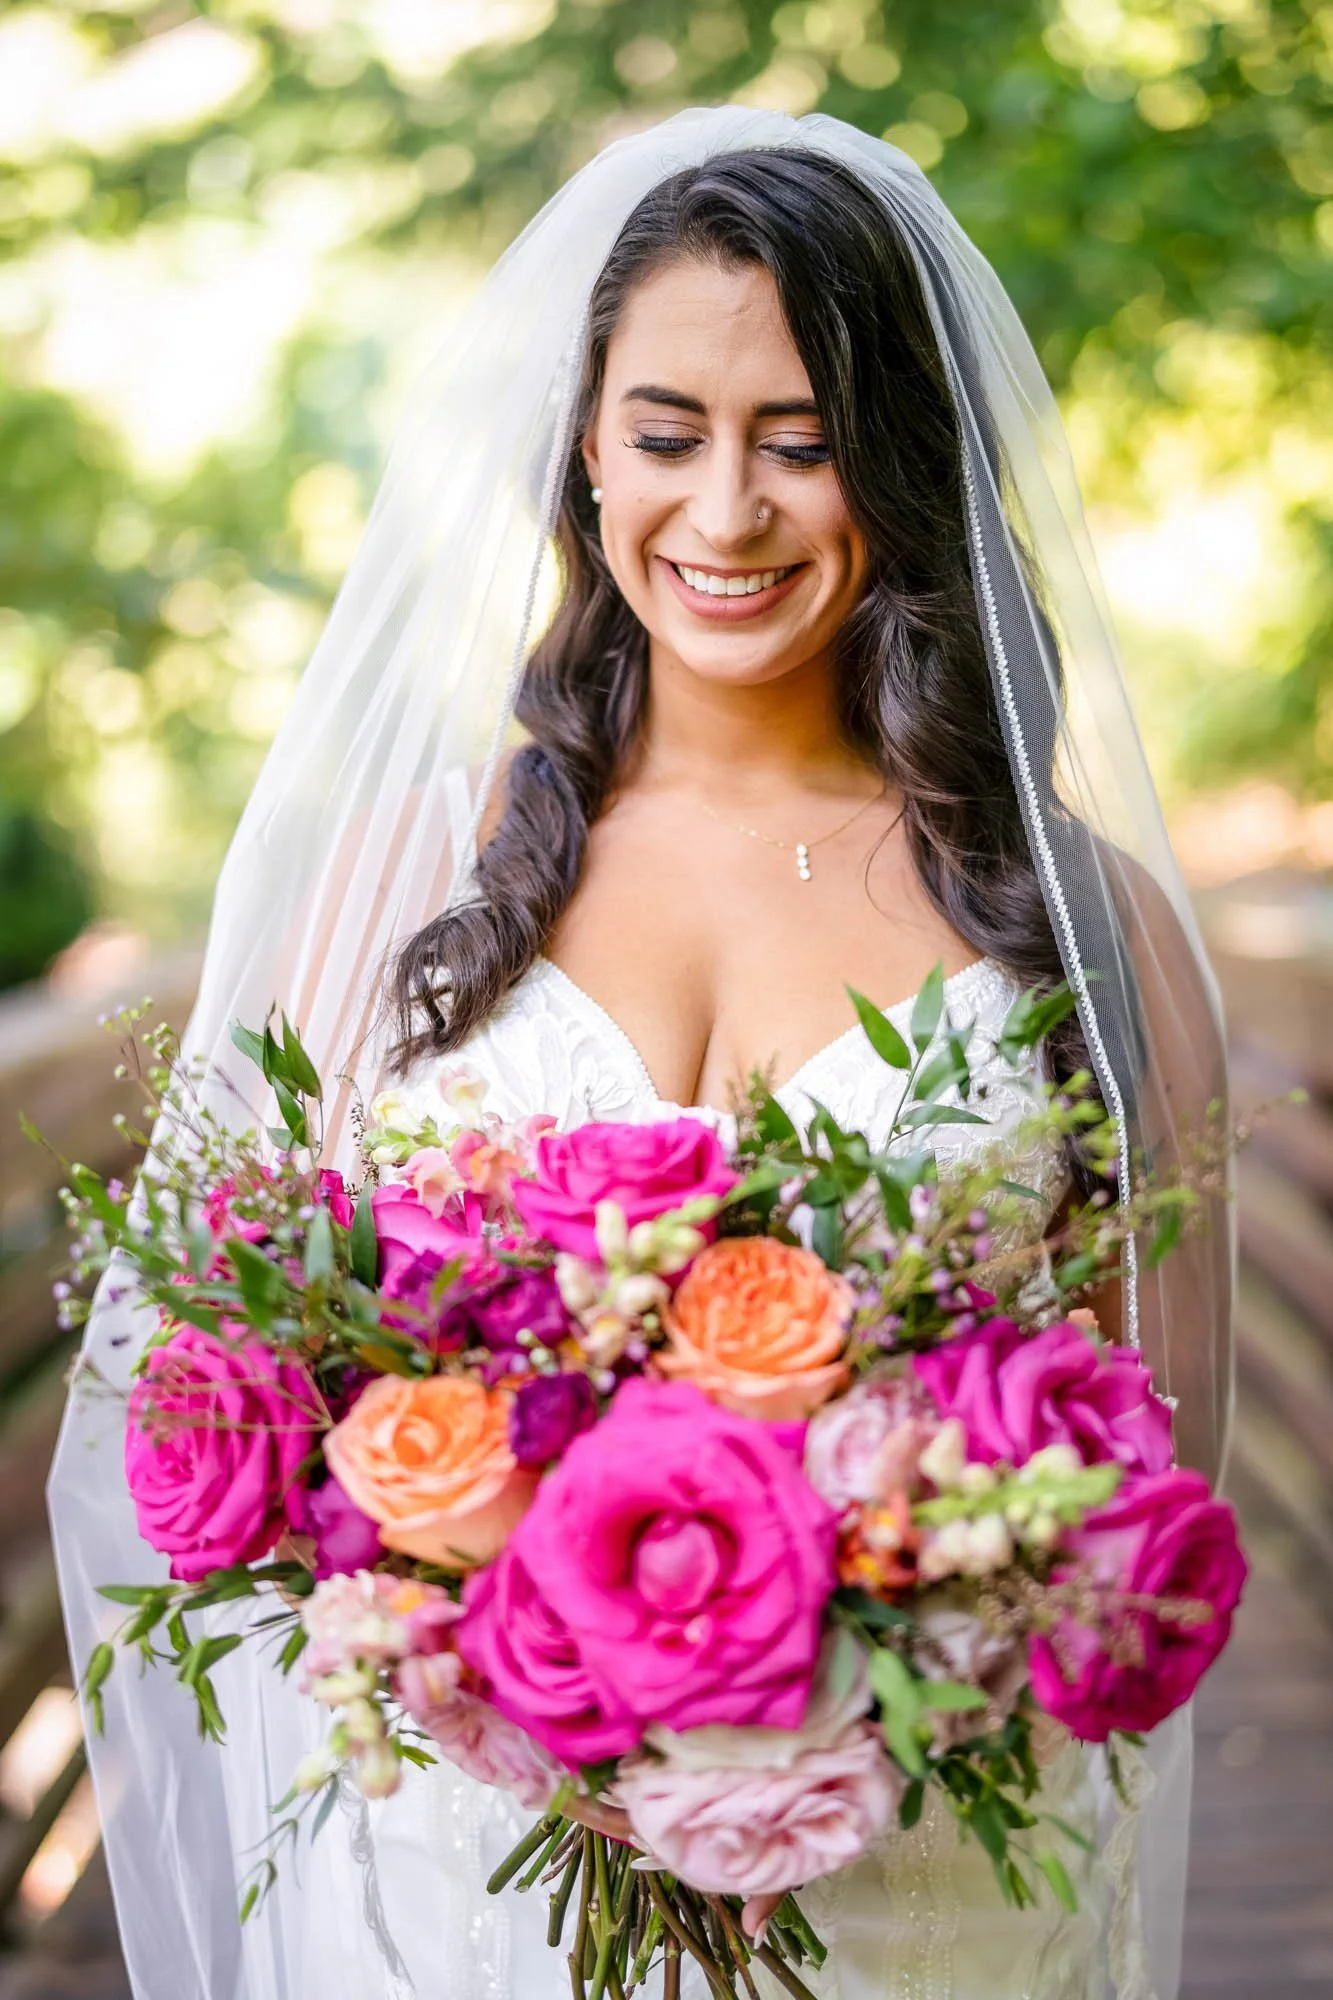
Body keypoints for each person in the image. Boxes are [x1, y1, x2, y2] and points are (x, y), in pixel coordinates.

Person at [48, 107, 1232, 2000]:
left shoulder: (1080, 931)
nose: (728, 512)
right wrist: (495, 1672)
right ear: (586, 451)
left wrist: (836, 1668)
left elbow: (1149, 1501)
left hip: (921, 1897)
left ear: (906, 469)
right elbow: (232, 1404)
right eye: (667, 435)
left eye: (805, 442)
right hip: (470, 1888)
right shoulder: (405, 884)